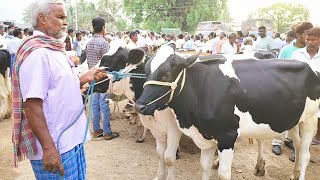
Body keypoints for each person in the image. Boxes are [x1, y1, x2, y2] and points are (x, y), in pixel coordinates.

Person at [12, 0, 107, 179]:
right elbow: (32, 106)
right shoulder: (38, 54)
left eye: (65, 17)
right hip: (56, 146)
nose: (65, 22)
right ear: (42, 18)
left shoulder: (54, 49)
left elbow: (57, 90)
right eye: (60, 17)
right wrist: (49, 149)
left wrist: (84, 78)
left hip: (71, 139)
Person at [272, 22, 313, 161]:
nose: (309, 36)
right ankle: (277, 142)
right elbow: (277, 69)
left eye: (311, 34)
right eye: (306, 33)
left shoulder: (314, 51)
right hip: (288, 91)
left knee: (304, 121)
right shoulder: (288, 50)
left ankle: (297, 147)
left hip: (309, 94)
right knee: (282, 116)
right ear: (298, 35)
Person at [86, 17, 119, 140]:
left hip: (92, 77)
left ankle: (96, 130)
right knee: (104, 104)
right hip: (103, 78)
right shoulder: (104, 43)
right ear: (104, 27)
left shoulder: (89, 42)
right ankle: (107, 132)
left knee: (94, 105)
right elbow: (108, 63)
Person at [292, 27, 320, 146]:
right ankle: (296, 145)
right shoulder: (297, 54)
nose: (310, 42)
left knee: (314, 117)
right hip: (300, 91)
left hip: (318, 92)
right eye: (308, 39)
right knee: (298, 117)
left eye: (314, 40)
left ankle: (315, 138)